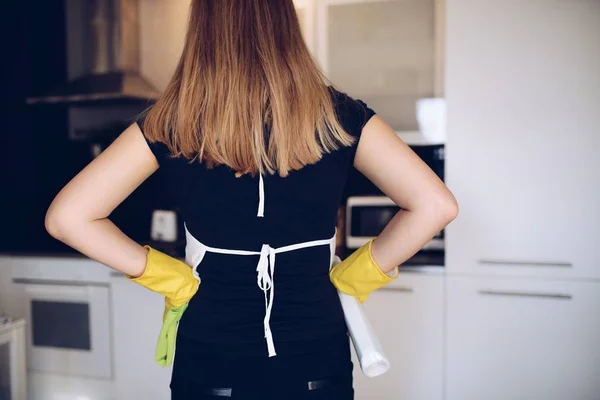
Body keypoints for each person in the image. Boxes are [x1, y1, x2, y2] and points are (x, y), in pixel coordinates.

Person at [45, 1, 458, 399]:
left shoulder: (170, 122)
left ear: (202, 26)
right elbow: (436, 206)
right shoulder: (340, 116)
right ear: (284, 22)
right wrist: (355, 277)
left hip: (210, 363)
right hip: (316, 362)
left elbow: (69, 218)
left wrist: (168, 277)